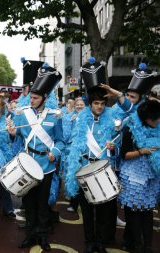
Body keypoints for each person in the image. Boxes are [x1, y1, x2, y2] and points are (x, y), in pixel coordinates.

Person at [65, 57, 120, 253]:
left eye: (102, 103)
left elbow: (118, 144)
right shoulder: (80, 120)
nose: (100, 107)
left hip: (104, 169)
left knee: (104, 212)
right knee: (87, 211)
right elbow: (72, 143)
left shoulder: (111, 120)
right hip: (85, 169)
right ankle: (90, 242)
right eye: (96, 103)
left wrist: (114, 149)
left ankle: (101, 243)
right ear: (90, 104)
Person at [7, 63, 64, 251]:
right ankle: (30, 235)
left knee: (43, 203)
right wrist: (13, 133)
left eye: (35, 97)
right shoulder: (23, 115)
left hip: (46, 165)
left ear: (44, 98)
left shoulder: (55, 116)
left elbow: (60, 141)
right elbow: (16, 136)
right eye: (30, 96)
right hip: (28, 164)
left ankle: (42, 235)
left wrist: (54, 153)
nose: (31, 100)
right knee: (29, 202)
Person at [118, 100, 160, 253]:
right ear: (145, 118)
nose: (157, 121)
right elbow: (124, 155)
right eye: (154, 119)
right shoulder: (131, 129)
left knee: (148, 211)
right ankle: (137, 245)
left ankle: (147, 246)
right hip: (133, 176)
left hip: (152, 177)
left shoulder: (158, 128)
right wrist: (142, 151)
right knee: (134, 211)